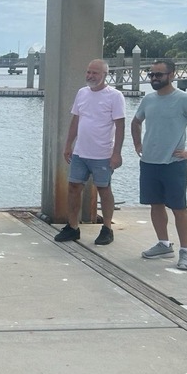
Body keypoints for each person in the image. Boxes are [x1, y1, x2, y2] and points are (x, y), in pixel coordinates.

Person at [131, 59, 187, 271]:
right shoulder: (148, 99)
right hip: (149, 162)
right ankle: (163, 244)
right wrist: (138, 144)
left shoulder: (184, 99)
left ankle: (185, 251)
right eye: (151, 75)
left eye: (159, 74)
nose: (154, 78)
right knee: (155, 204)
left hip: (173, 163)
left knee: (179, 207)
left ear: (172, 75)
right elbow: (136, 122)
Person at [54, 59, 125, 245]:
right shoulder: (82, 93)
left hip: (102, 153)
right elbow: (76, 120)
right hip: (80, 152)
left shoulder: (115, 96)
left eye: (95, 73)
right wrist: (68, 144)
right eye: (88, 72)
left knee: (104, 189)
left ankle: (107, 228)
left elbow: (120, 125)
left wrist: (117, 153)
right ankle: (72, 227)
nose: (90, 76)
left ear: (104, 75)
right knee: (74, 187)